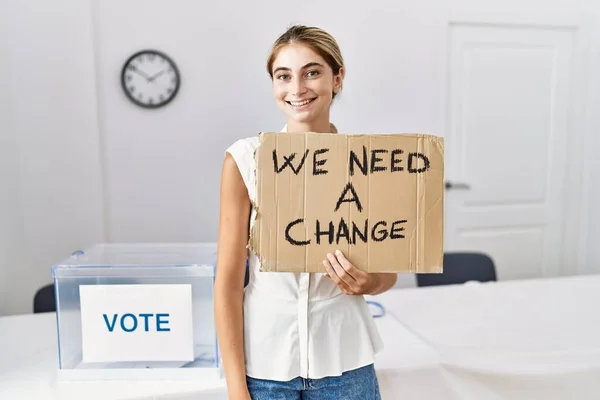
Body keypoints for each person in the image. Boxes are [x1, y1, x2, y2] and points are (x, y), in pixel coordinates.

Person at [214, 24, 398, 400]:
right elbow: (228, 284)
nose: (296, 89)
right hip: (264, 366)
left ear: (337, 78)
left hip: (345, 363)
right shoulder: (245, 159)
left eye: (311, 72)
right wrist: (236, 387)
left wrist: (369, 283)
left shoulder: (368, 163)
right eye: (284, 76)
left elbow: (388, 274)